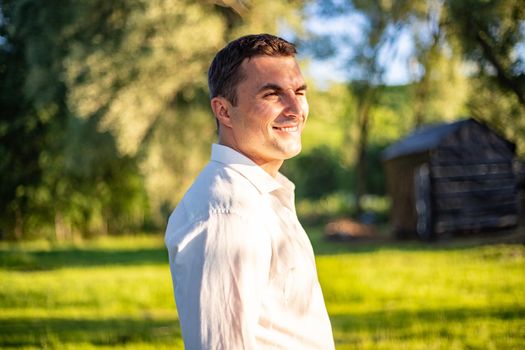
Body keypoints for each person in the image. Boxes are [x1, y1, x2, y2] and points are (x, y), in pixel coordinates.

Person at [165, 33, 335, 349]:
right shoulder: (228, 212)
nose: (295, 108)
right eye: (272, 95)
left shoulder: (258, 196)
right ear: (224, 111)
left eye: (299, 91)